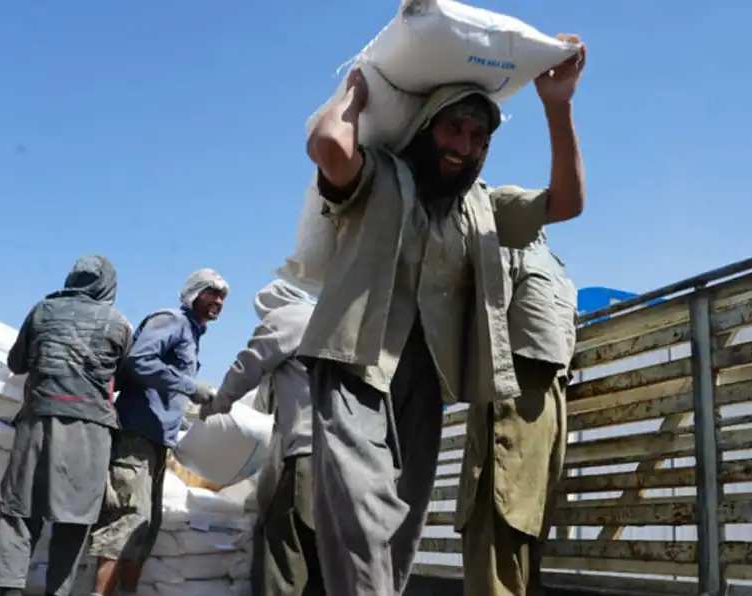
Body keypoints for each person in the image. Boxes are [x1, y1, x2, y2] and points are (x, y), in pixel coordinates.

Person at [300, 33, 586, 596]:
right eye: (454, 127)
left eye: (478, 136)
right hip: (354, 365)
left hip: (426, 378)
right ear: (426, 126)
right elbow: (329, 145)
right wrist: (354, 95)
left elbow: (567, 201)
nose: (464, 145)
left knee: (402, 526)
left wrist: (559, 106)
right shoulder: (381, 175)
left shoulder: (484, 204)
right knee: (361, 512)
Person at [0, 255, 132, 596]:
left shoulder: (42, 311)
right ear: (109, 286)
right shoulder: (118, 323)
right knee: (74, 519)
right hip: (89, 432)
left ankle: (8, 590)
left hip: (37, 423)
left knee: (20, 512)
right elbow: (124, 377)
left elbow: (16, 362)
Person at [88, 268, 229, 596]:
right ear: (194, 293)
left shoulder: (192, 333)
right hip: (135, 437)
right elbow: (139, 361)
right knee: (126, 521)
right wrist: (189, 386)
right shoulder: (171, 321)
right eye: (212, 292)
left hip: (157, 441)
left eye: (223, 296)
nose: (219, 301)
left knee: (145, 527)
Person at [455, 231, 578, 596]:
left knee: (491, 531)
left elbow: (481, 324)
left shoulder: (508, 248)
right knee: (524, 531)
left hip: (510, 398)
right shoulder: (558, 271)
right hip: (550, 406)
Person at [200, 279, 320, 595]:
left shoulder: (287, 317)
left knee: (284, 549)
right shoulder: (328, 319)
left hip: (306, 453)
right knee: (324, 556)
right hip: (347, 457)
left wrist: (216, 404)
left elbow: (247, 366)